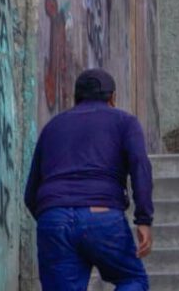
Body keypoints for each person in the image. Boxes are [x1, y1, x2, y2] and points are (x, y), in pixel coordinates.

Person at [24, 68, 153, 291]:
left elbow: (31, 193)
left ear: (76, 98)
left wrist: (55, 220)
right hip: (101, 214)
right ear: (113, 98)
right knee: (133, 280)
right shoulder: (125, 122)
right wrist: (144, 219)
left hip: (53, 217)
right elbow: (140, 167)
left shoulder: (52, 127)